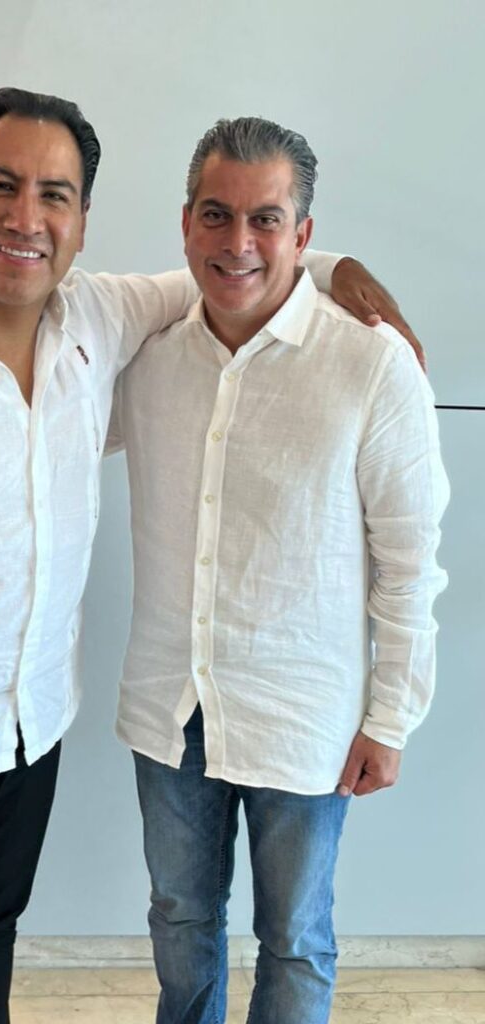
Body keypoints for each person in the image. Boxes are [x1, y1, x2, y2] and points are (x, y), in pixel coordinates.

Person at [0, 88, 422, 1024]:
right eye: (1, 186)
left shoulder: (98, 323)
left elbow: (232, 268)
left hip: (25, 727)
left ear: (83, 220)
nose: (26, 218)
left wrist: (332, 265)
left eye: (54, 195)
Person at [108, 116, 449, 1024]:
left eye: (266, 219)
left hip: (305, 712)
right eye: (216, 215)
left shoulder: (371, 364)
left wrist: (391, 716)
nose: (238, 242)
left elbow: (410, 562)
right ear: (186, 222)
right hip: (169, 704)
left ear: (303, 232)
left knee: (296, 936)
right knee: (180, 918)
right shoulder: (145, 356)